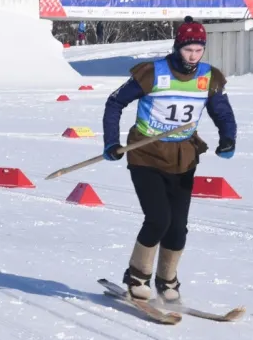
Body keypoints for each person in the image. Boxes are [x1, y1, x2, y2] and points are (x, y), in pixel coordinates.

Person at [101, 15, 237, 303]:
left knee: (178, 226)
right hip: (145, 154)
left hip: (183, 157)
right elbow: (115, 102)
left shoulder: (208, 78)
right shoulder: (153, 72)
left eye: (199, 49)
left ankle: (167, 280)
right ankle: (137, 276)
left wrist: (228, 138)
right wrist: (111, 141)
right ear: (178, 47)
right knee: (158, 218)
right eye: (188, 49)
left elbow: (222, 111)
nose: (193, 55)